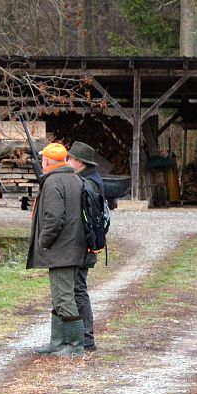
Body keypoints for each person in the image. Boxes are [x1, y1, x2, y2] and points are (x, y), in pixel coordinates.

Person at [27, 140, 88, 357]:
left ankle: (75, 347)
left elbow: (54, 218)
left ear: (46, 161)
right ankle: (57, 343)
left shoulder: (53, 182)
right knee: (59, 296)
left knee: (63, 298)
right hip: (72, 248)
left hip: (61, 250)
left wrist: (43, 242)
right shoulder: (75, 178)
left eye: (43, 159)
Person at [68, 141, 111, 352]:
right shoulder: (90, 180)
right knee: (77, 288)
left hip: (84, 245)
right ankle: (81, 337)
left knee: (78, 289)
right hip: (86, 244)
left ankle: (86, 338)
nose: (67, 162)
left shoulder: (87, 185)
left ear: (80, 163)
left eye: (70, 159)